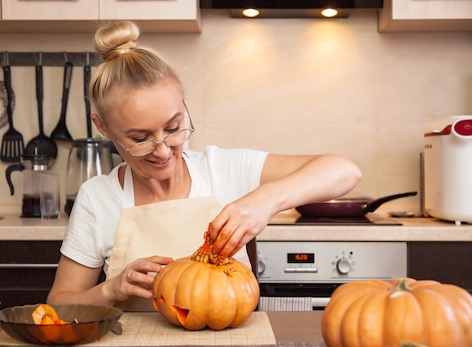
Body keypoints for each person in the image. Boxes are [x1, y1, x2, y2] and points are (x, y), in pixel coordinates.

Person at [47, 21, 361, 309]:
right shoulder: (97, 199)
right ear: (102, 127)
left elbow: (345, 171)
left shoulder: (223, 169)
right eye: (140, 138)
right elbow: (58, 306)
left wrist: (263, 201)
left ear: (183, 107)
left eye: (173, 127)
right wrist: (111, 289)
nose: (163, 150)